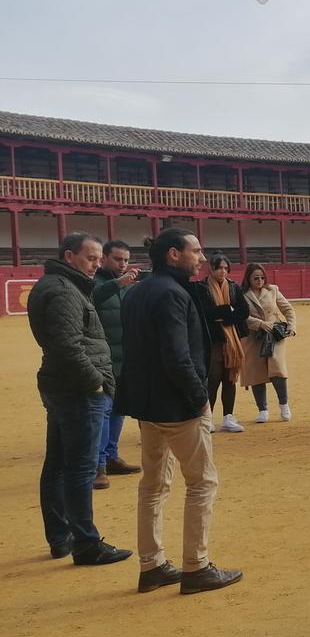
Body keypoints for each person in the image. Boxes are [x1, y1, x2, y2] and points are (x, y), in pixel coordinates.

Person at [120, 227, 241, 594]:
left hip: (147, 404)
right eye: (196, 250)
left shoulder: (137, 291)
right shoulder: (173, 294)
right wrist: (199, 397)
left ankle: (151, 564)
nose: (202, 257)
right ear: (174, 254)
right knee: (202, 483)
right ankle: (196, 566)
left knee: (153, 486)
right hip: (177, 406)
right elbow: (177, 356)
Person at [28, 232, 132, 566]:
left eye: (100, 259)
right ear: (69, 256)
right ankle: (86, 543)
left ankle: (61, 538)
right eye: (91, 258)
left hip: (62, 385)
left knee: (58, 464)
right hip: (77, 390)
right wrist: (96, 384)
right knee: (80, 467)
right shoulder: (63, 291)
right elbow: (68, 347)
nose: (97, 264)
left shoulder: (59, 286)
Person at [91, 239, 146, 490]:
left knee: (119, 410)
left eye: (125, 259)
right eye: (117, 259)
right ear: (104, 258)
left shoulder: (126, 286)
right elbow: (92, 298)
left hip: (125, 358)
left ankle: (111, 457)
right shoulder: (94, 282)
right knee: (103, 411)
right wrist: (118, 284)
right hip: (102, 359)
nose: (123, 264)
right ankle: (98, 465)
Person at [195, 253, 250, 433]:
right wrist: (227, 309)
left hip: (231, 338)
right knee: (213, 378)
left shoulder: (233, 287)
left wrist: (224, 317)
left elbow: (243, 311)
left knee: (230, 378)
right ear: (211, 268)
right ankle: (208, 417)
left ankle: (228, 417)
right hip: (213, 339)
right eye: (219, 268)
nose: (223, 271)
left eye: (226, 268)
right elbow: (204, 312)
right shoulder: (202, 288)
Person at [239, 264, 295, 423]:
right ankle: (262, 409)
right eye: (255, 278)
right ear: (248, 279)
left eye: (262, 277)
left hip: (274, 334)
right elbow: (240, 316)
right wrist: (258, 323)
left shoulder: (273, 290)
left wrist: (290, 327)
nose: (259, 281)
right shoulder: (241, 294)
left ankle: (284, 405)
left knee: (277, 368)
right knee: (256, 372)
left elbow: (288, 310)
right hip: (253, 336)